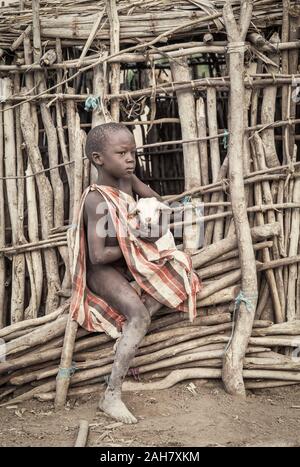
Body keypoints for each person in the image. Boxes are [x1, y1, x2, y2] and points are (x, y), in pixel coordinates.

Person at [70, 122, 200, 424]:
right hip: (103, 271)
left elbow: (158, 203)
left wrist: (155, 225)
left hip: (132, 260)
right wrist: (139, 239)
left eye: (133, 152)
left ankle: (126, 333)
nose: (131, 159)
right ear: (98, 159)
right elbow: (98, 255)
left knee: (181, 270)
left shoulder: (129, 182)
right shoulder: (96, 199)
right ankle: (111, 394)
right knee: (140, 315)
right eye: (122, 153)